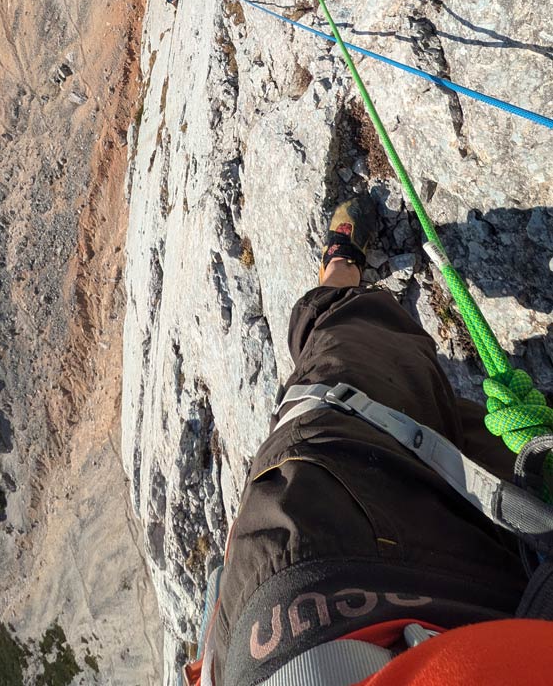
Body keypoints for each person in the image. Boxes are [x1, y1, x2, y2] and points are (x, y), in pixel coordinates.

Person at [186, 196, 553, 685]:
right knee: (470, 433)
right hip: (474, 597)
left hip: (317, 575)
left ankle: (339, 270)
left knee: (350, 332)